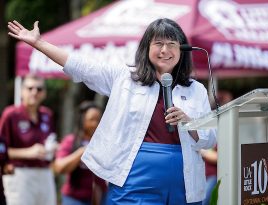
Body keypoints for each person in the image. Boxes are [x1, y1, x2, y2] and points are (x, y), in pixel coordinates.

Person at [7, 18, 216, 204]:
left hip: (183, 181)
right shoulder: (125, 78)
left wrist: (189, 123)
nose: (165, 50)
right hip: (135, 178)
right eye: (158, 43)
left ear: (182, 50)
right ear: (146, 47)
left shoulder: (196, 89)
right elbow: (80, 65)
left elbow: (209, 140)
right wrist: (39, 43)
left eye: (172, 44)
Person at [0, 74, 57, 205]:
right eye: (30, 88)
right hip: (19, 173)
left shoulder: (47, 114)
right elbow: (2, 150)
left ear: (44, 93)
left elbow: (51, 139)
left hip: (45, 173)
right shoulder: (11, 114)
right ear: (22, 91)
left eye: (39, 89)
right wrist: (28, 152)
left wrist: (53, 148)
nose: (34, 92)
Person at [54, 101, 107, 205]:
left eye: (99, 120)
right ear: (82, 120)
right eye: (91, 119)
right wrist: (82, 151)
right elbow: (59, 167)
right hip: (75, 197)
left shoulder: (104, 142)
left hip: (100, 196)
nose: (95, 124)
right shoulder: (71, 141)